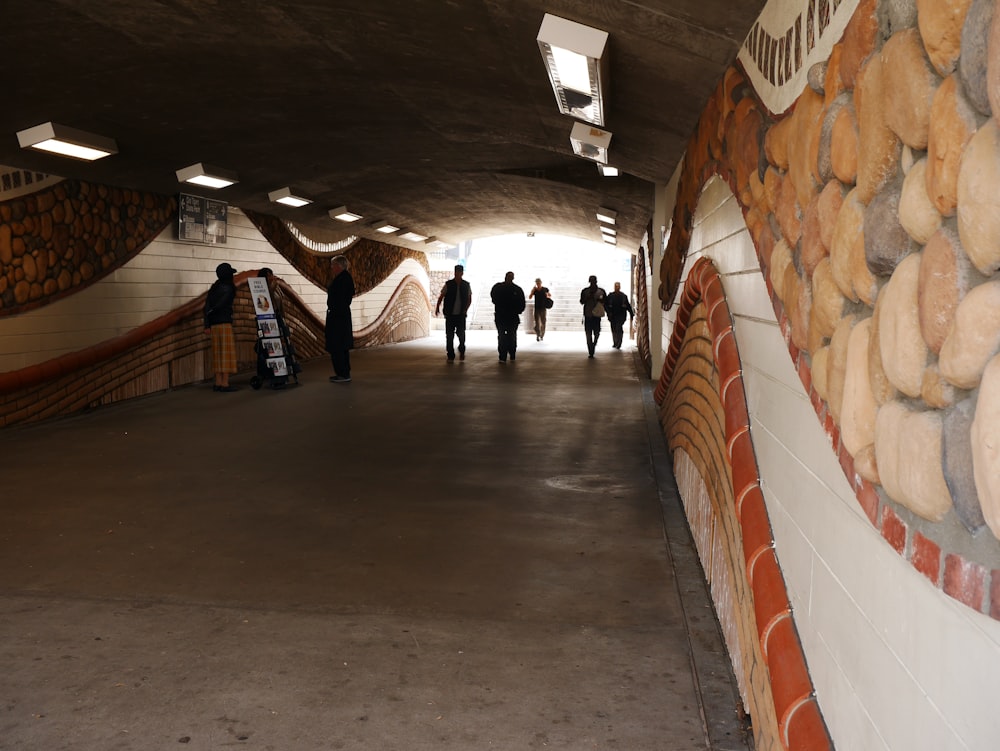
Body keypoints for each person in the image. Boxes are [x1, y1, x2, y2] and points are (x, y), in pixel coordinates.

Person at [204, 262, 239, 392]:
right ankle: (225, 383)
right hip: (224, 323)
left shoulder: (214, 287)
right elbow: (221, 305)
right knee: (226, 353)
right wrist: (215, 311)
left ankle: (217, 382)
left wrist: (207, 323)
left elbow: (206, 306)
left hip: (214, 325)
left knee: (217, 353)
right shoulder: (229, 288)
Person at [325, 255, 355, 383]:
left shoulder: (343, 279)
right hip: (340, 316)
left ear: (339, 266)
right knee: (341, 346)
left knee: (338, 345)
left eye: (333, 265)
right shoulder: (344, 278)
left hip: (338, 317)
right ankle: (343, 372)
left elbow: (340, 299)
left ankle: (342, 373)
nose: (331, 268)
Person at [434, 264, 473, 361]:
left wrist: (465, 309)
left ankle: (462, 349)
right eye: (457, 272)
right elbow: (441, 296)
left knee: (461, 334)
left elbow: (469, 299)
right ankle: (450, 354)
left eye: (460, 272)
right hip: (450, 315)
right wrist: (437, 307)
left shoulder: (466, 285)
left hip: (461, 315)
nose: (458, 274)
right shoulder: (448, 284)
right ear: (455, 272)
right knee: (449, 335)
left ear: (462, 273)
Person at [490, 271, 526, 362]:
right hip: (509, 316)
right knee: (510, 335)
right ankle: (510, 353)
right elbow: (522, 304)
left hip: (503, 316)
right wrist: (517, 311)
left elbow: (493, 298)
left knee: (504, 335)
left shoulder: (498, 288)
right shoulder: (517, 289)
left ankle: (504, 355)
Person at [579, 275, 607, 358]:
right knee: (588, 334)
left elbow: (606, 301)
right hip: (588, 315)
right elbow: (581, 301)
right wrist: (587, 298)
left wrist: (599, 300)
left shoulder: (601, 291)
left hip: (596, 316)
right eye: (591, 282)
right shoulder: (585, 291)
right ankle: (590, 350)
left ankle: (594, 344)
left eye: (593, 281)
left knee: (597, 332)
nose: (592, 283)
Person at [605, 281, 634, 349]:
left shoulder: (623, 296)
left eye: (618, 286)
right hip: (612, 315)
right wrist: (608, 312)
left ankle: (619, 343)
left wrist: (631, 314)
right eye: (616, 286)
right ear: (614, 287)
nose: (617, 288)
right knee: (614, 329)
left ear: (620, 287)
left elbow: (628, 306)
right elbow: (606, 305)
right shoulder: (610, 296)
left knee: (618, 328)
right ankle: (615, 342)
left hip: (621, 315)